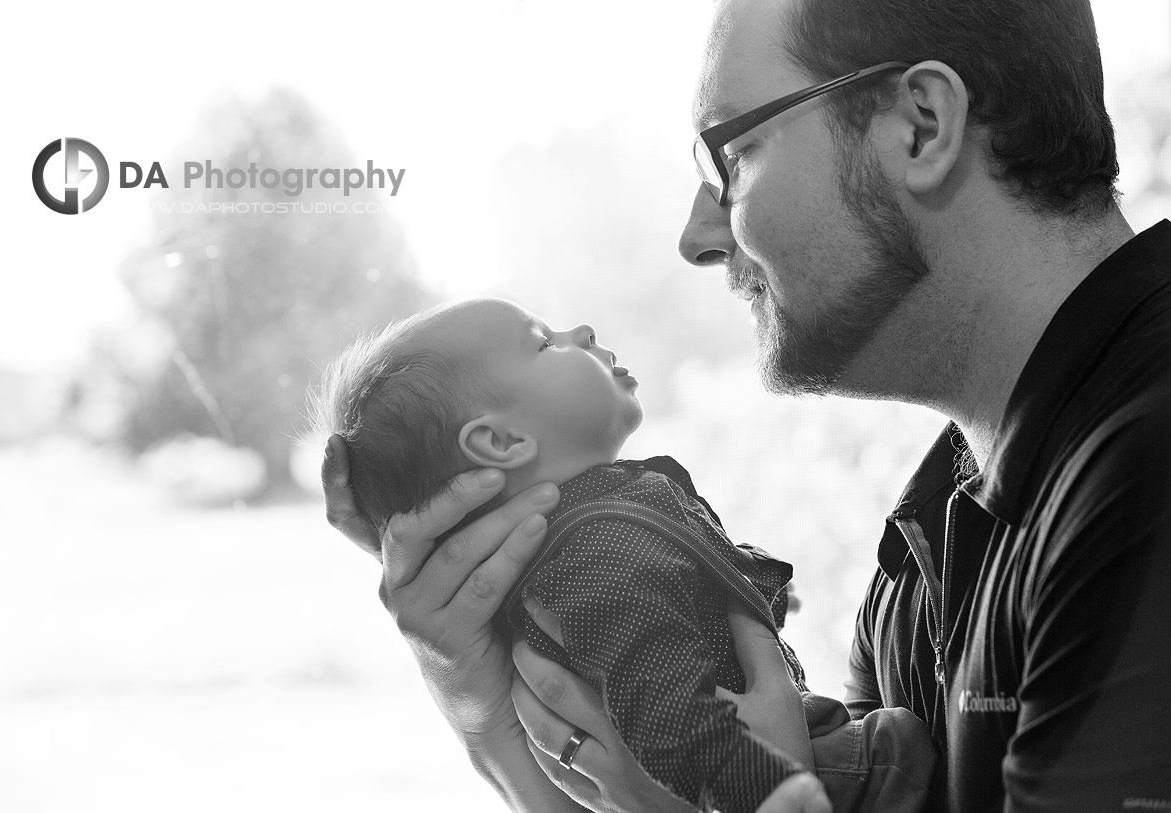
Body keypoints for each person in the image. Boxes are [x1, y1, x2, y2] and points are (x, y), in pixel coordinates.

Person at [322, 0, 1171, 810]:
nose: (697, 236)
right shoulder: (926, 546)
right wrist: (492, 718)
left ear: (920, 125)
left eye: (732, 156)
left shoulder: (1140, 488)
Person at [312, 296, 935, 813]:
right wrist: (768, 789)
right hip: (809, 779)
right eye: (541, 341)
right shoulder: (596, 552)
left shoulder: (579, 543)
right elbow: (662, 703)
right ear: (501, 440)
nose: (579, 330)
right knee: (912, 745)